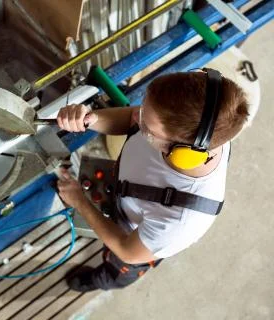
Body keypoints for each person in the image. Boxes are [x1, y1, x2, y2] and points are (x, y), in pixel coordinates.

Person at [56, 69, 249, 292]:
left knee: (118, 270)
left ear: (183, 153)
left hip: (131, 237)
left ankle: (100, 281)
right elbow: (131, 117)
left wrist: (80, 201)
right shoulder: (200, 128)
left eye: (147, 128)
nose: (138, 121)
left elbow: (126, 249)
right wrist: (91, 119)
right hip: (126, 192)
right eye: (144, 111)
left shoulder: (179, 222)